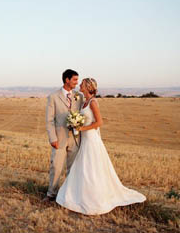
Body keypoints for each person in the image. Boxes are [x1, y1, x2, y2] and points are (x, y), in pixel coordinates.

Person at [55, 78, 146, 214]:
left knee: (91, 169)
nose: (80, 85)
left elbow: (99, 123)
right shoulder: (84, 101)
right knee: (83, 168)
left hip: (91, 140)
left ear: (87, 87)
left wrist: (81, 129)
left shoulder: (92, 102)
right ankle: (78, 196)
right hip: (84, 139)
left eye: (82, 84)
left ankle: (94, 199)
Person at [43, 69, 83, 202]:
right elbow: (49, 120)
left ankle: (69, 196)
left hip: (75, 139)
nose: (77, 83)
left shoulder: (79, 96)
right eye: (75, 80)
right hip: (59, 138)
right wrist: (52, 138)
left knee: (73, 168)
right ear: (67, 80)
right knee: (56, 166)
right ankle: (51, 194)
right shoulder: (53, 97)